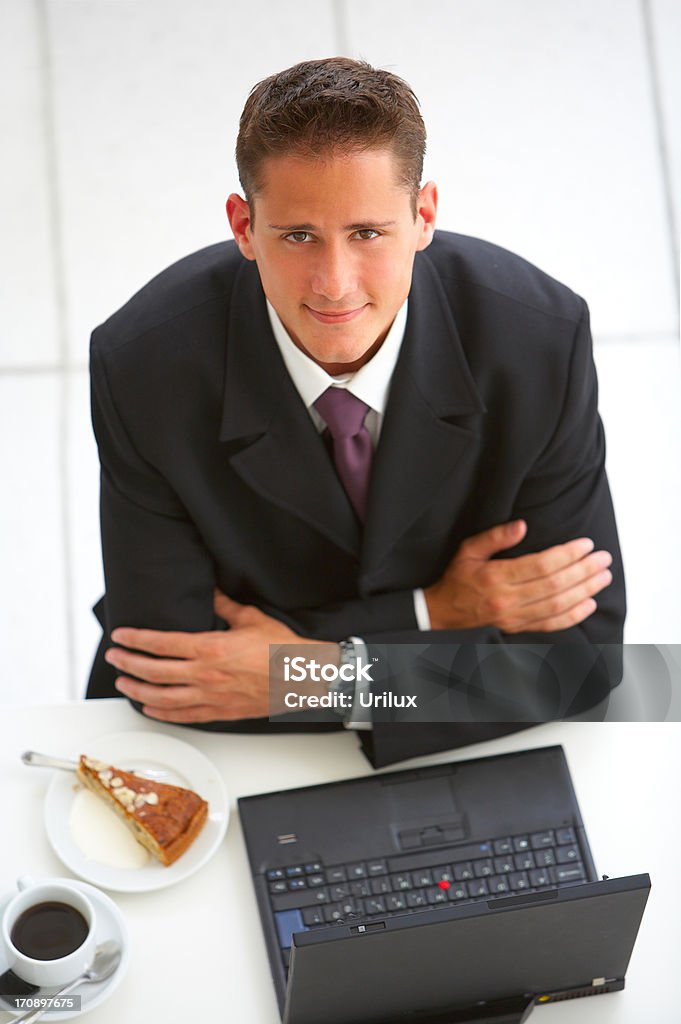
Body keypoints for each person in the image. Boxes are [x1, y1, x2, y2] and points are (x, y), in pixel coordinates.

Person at [87, 57, 624, 768]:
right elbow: (177, 674)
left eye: (367, 234)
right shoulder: (142, 365)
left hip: (421, 756)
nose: (334, 284)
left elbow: (583, 664)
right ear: (243, 227)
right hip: (204, 754)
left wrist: (311, 677)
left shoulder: (538, 340)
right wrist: (439, 614)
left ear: (423, 216)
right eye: (297, 236)